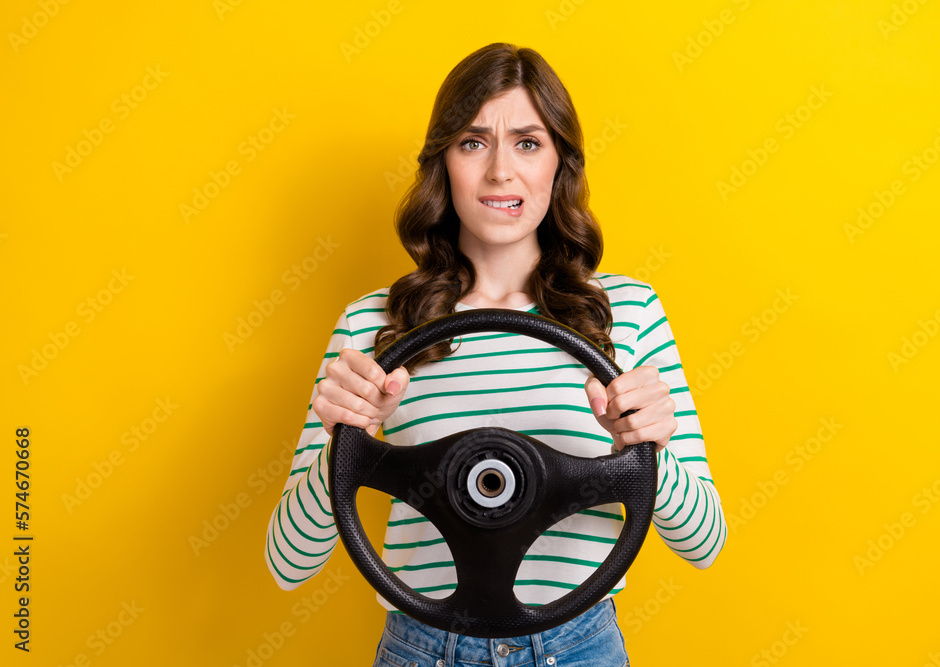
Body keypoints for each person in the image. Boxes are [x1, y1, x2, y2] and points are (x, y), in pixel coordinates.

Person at [265, 42, 726, 666]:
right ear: (443, 164)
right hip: (422, 651)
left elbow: (706, 541)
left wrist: (646, 450)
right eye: (473, 142)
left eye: (529, 143)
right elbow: (287, 564)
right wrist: (341, 437)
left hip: (580, 649)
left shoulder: (629, 311)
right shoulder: (375, 324)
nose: (501, 173)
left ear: (559, 164)